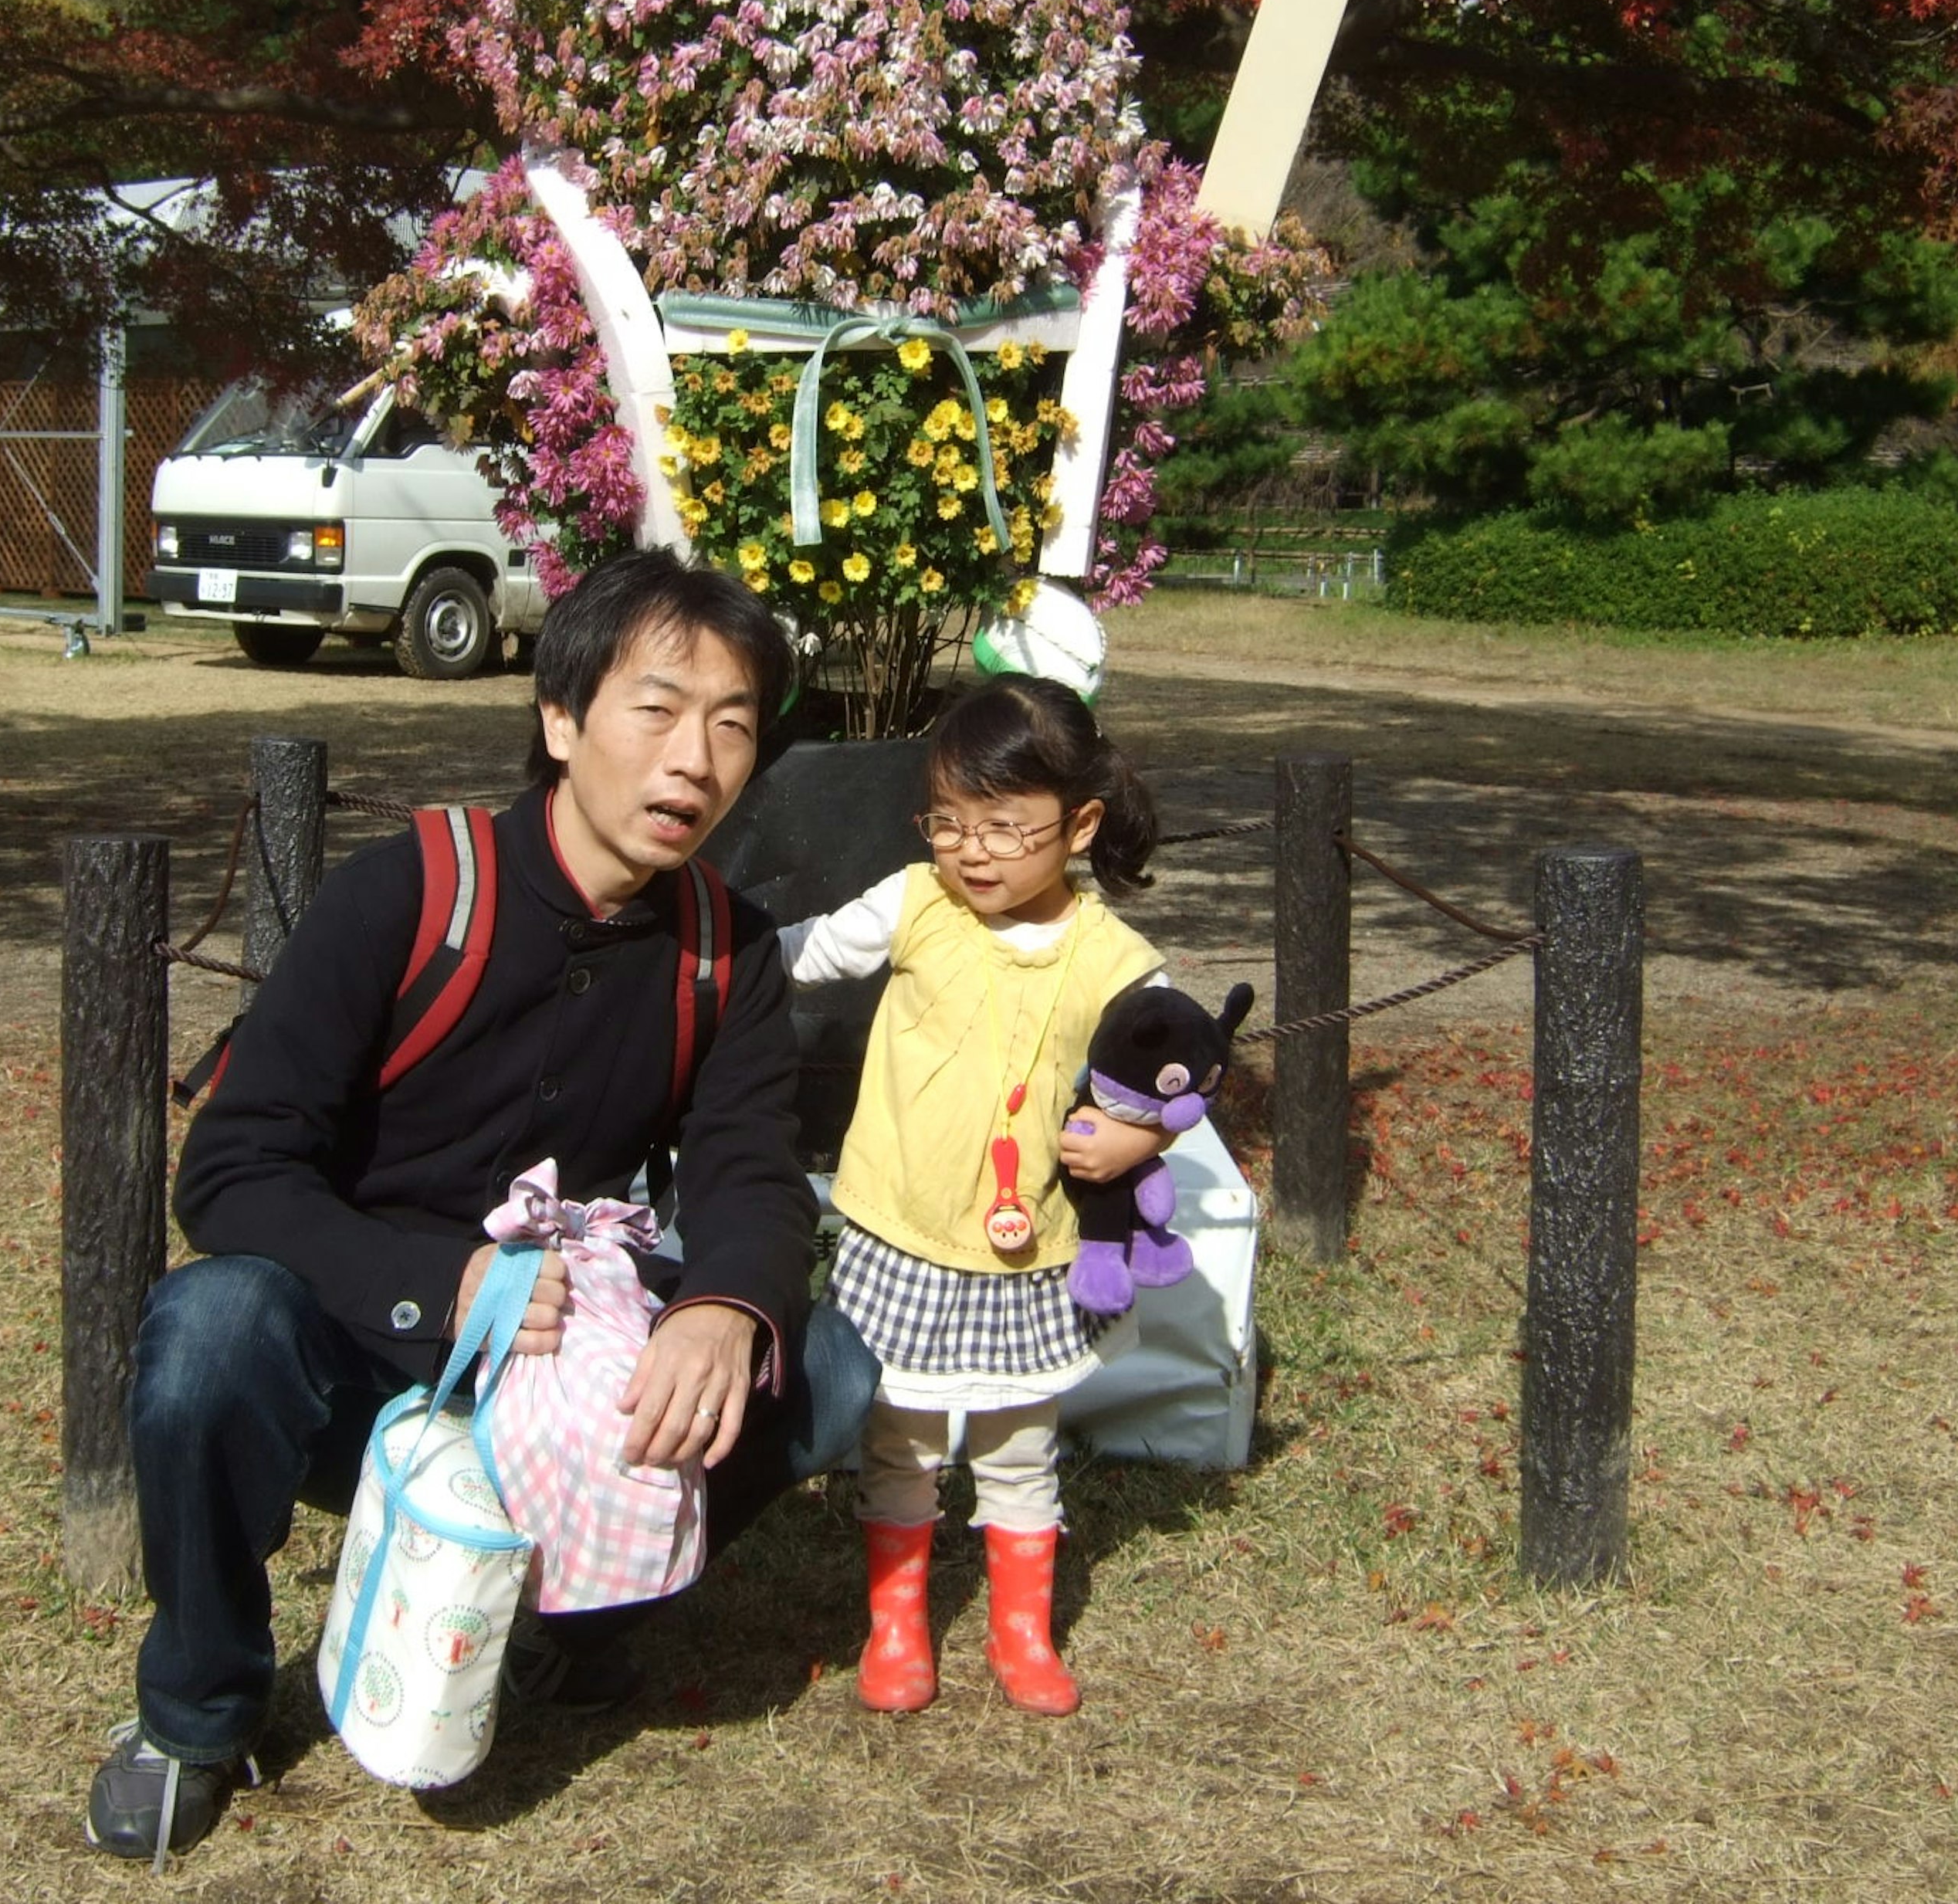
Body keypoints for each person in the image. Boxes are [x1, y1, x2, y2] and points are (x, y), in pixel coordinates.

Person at [85, 549, 879, 1862]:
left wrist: (728, 1305)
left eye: (733, 726)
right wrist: (437, 1282)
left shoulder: (723, 948)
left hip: (563, 1361)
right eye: (658, 709)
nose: (696, 759)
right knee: (213, 1331)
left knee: (828, 1366)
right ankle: (199, 1711)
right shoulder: (410, 891)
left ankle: (563, 1624)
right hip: (356, 1348)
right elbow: (228, 1171)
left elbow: (748, 1167)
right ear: (562, 721)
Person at [779, 674, 1169, 1719]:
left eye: (1004, 826)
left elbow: (1183, 1063)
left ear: (1079, 825)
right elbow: (798, 958)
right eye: (947, 821)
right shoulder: (915, 904)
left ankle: (1019, 1629)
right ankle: (898, 1624)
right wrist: (691, 967)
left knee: (1016, 1444)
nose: (972, 851)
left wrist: (1143, 1128)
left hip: (1027, 1252)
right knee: (898, 1438)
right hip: (899, 1234)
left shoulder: (1113, 958)